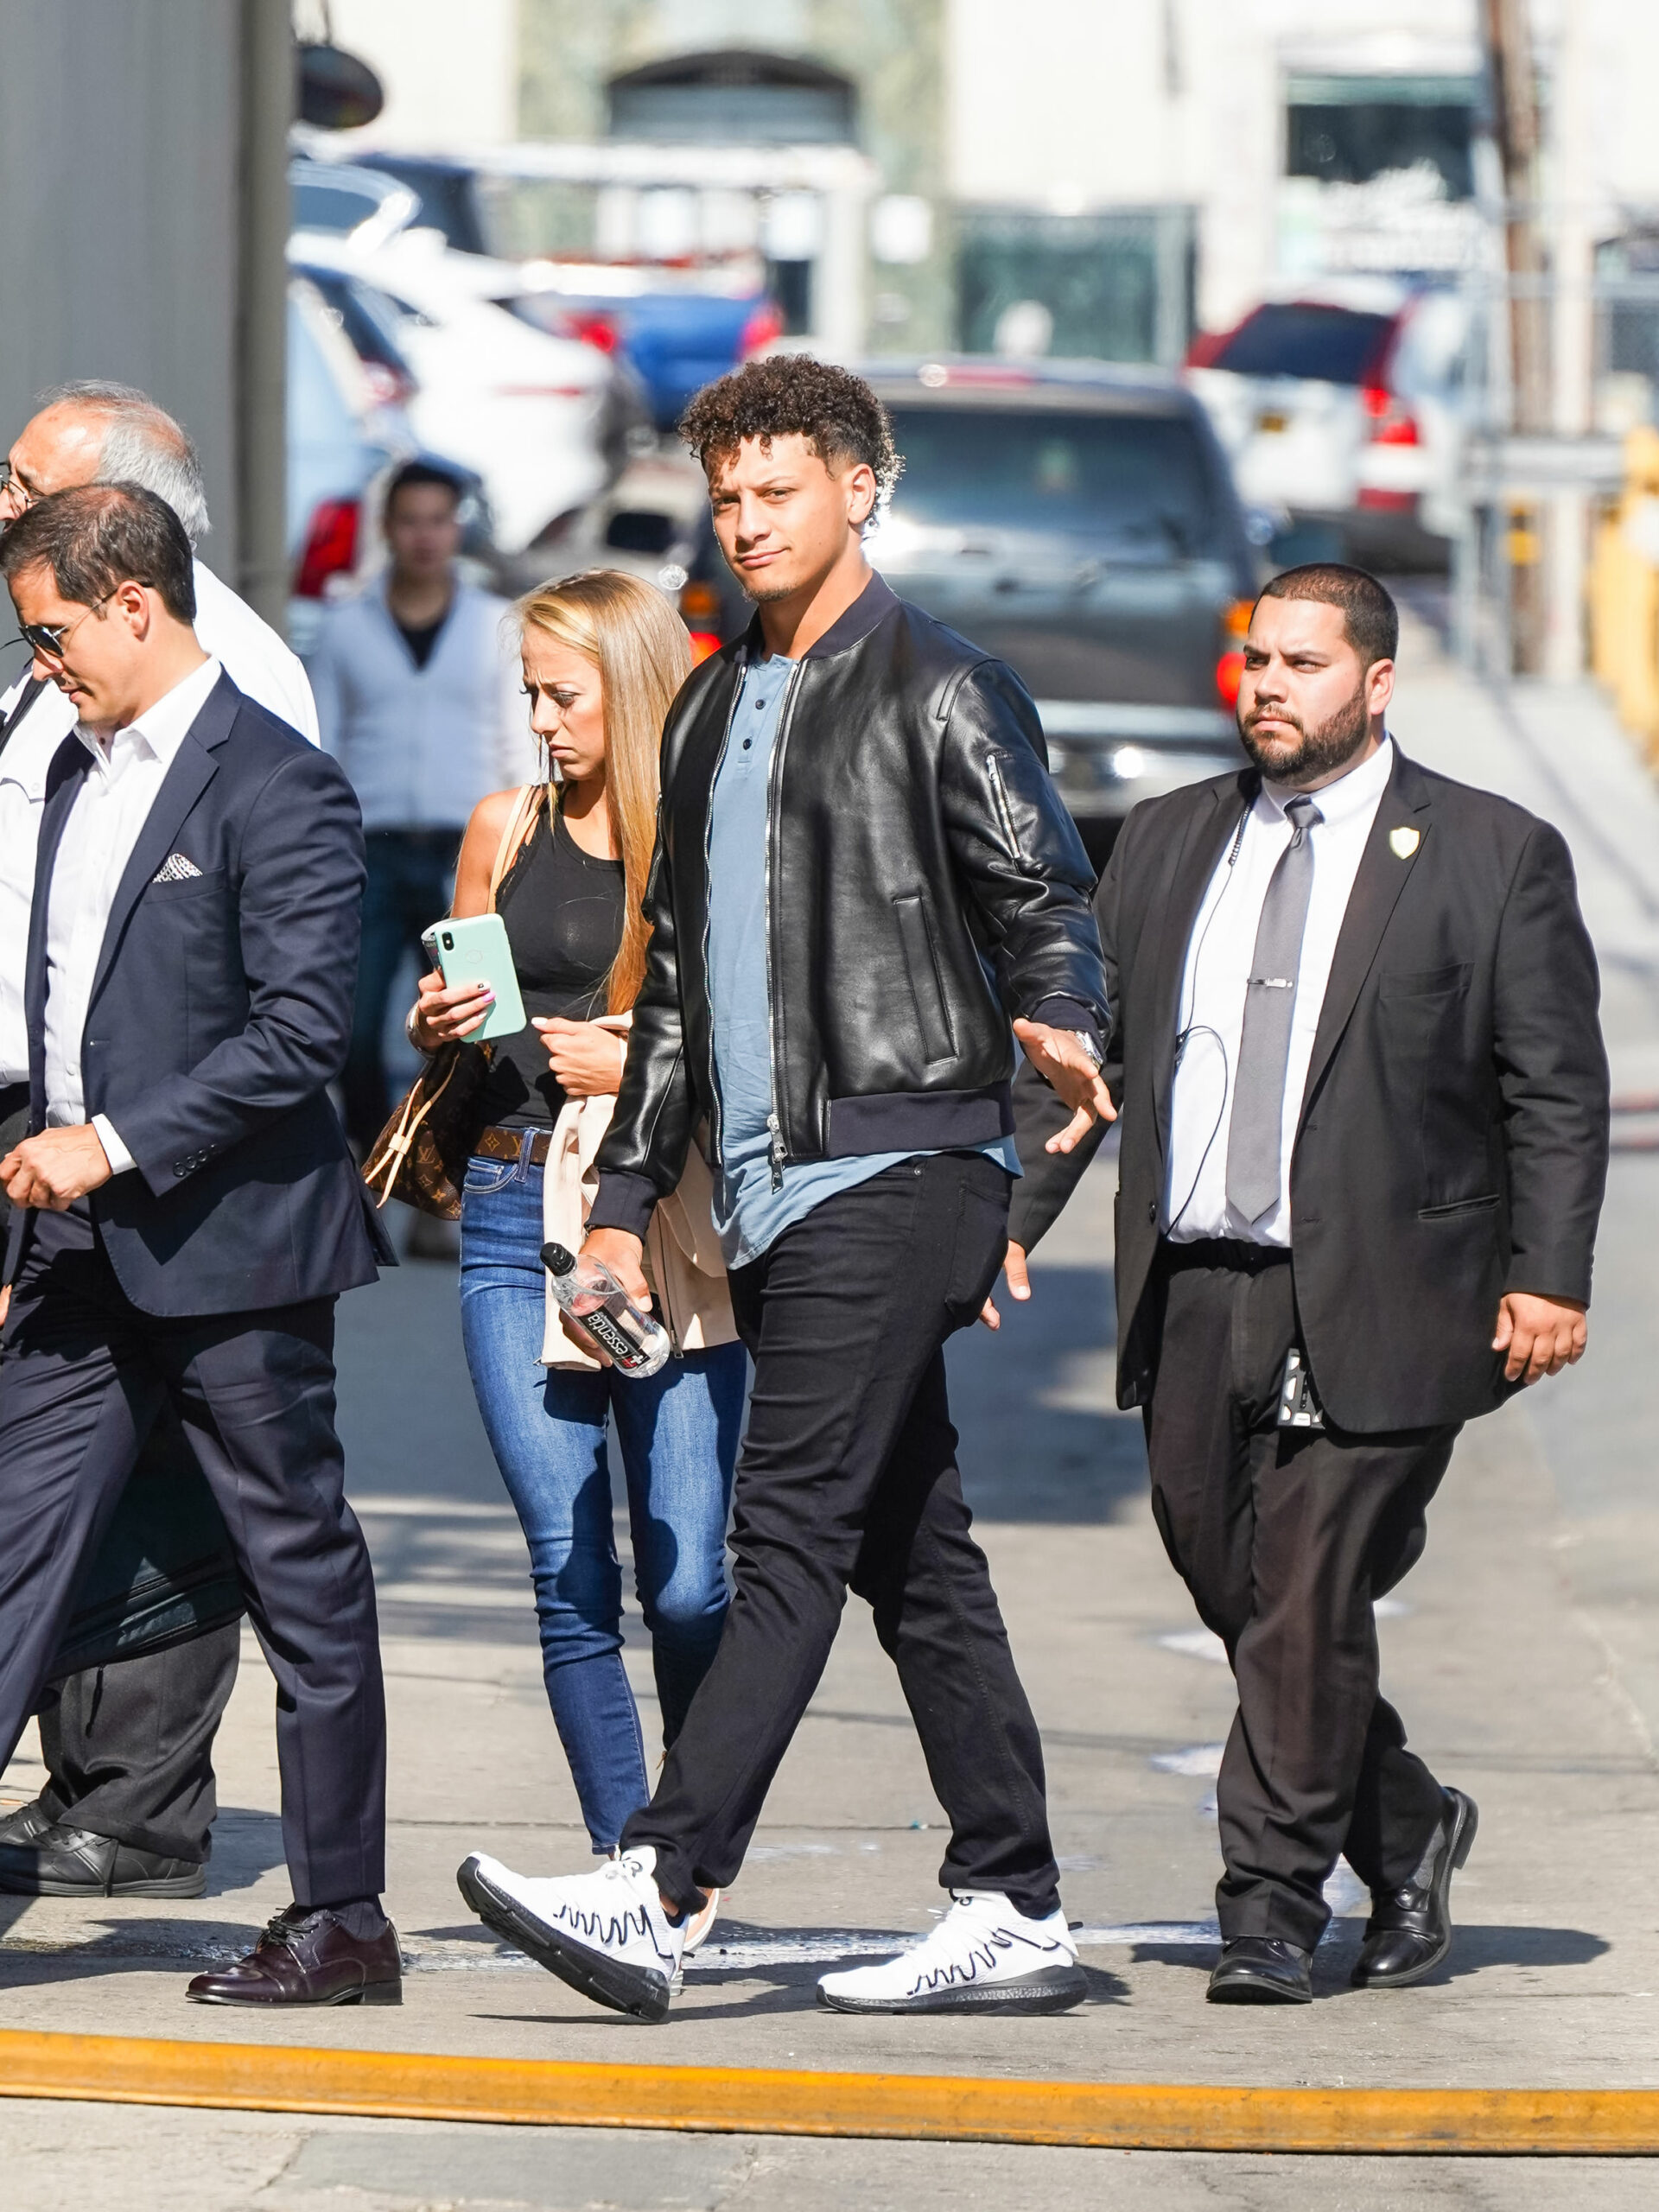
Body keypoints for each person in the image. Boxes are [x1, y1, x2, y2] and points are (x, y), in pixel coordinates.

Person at [455, 356, 1114, 2024]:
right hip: (764, 1184)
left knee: (788, 1527)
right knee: (914, 1546)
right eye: (728, 498)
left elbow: (1046, 894)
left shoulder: (942, 687)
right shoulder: (708, 705)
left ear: (859, 491)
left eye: (780, 494)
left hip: (897, 1155)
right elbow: (670, 989)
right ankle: (1013, 1893)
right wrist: (619, 1203)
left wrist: (1068, 1022)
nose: (748, 524)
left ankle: (662, 1888)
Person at [998, 564, 1610, 2005]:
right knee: (1237, 1579)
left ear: (1377, 681)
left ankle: (1267, 1902)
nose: (1269, 685)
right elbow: (1098, 1065)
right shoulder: (1162, 841)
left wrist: (1550, 1275)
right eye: (1255, 660)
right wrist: (1009, 1220)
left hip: (1399, 1285)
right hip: (1201, 1278)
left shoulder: (1488, 851)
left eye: (1304, 663)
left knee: (1307, 1583)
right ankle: (1403, 1821)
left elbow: (1555, 1092)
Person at [0, 484, 398, 2007]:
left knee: (304, 1582)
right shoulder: (59, 772)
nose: (41, 662)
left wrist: (114, 1141)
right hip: (79, 1257)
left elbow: (301, 1033)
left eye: (52, 632)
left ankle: (344, 1919)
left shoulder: (277, 783)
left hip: (239, 1258)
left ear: (135, 605)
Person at [409, 570, 745, 1929]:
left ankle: (694, 1824)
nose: (542, 720)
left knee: (689, 1576)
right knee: (567, 1569)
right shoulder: (506, 826)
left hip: (658, 1218)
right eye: (529, 694)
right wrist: (442, 1024)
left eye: (566, 692)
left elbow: (775, 1045)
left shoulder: (712, 841)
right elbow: (468, 1032)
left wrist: (640, 1058)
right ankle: (637, 1873)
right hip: (509, 1211)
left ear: (635, 681)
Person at [308, 460, 526, 1155]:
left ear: (456, 528)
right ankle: (377, 1168)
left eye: (439, 520)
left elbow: (517, 741)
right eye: (411, 521)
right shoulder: (345, 628)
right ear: (388, 529)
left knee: (471, 1027)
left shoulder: (496, 624)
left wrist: (522, 845)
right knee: (354, 1026)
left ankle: (451, 1182)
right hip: (370, 850)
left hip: (468, 851)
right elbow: (324, 751)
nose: (426, 536)